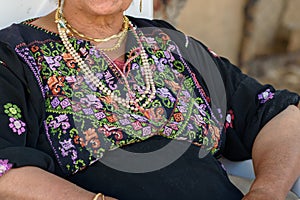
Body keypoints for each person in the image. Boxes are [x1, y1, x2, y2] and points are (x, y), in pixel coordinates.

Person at [0, 0, 299, 199]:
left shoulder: (172, 44)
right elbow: (5, 169)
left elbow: (277, 113)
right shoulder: (11, 56)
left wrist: (266, 193)